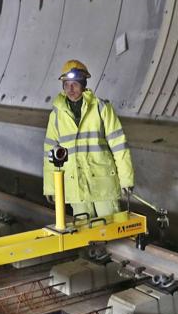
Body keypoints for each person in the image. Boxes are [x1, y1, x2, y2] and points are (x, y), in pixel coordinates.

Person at [43, 60, 134, 219]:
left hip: (102, 184)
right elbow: (50, 154)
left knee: (110, 230)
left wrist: (126, 179)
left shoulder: (101, 108)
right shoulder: (56, 115)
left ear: (83, 84)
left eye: (75, 84)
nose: (70, 89)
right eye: (67, 84)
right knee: (84, 235)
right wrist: (51, 187)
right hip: (76, 187)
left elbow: (119, 145)